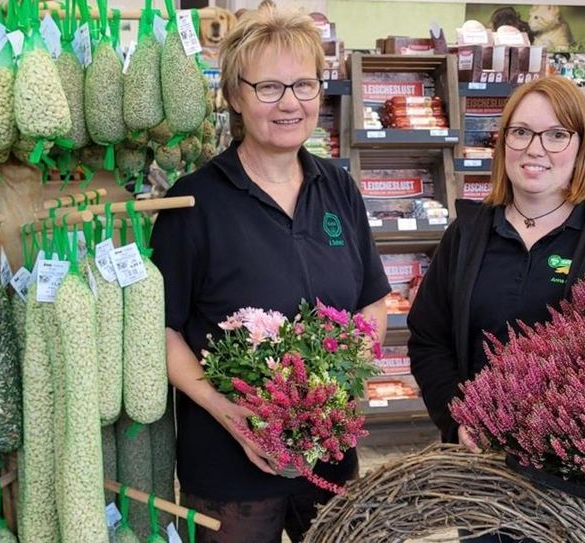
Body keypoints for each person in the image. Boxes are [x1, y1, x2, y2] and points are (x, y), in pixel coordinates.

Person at [149, 6, 391, 542]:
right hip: (228, 464)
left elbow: (373, 302)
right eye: (269, 87)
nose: (290, 103)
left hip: (328, 458)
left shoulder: (339, 188)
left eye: (304, 84)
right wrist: (229, 411)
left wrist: (345, 384)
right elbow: (161, 331)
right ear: (236, 96)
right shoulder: (192, 202)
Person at [408, 75, 585, 543]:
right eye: (521, 132)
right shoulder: (469, 234)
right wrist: (459, 417)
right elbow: (429, 337)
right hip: (484, 475)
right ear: (503, 144)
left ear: (582, 145)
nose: (534, 148)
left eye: (556, 134)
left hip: (579, 490)